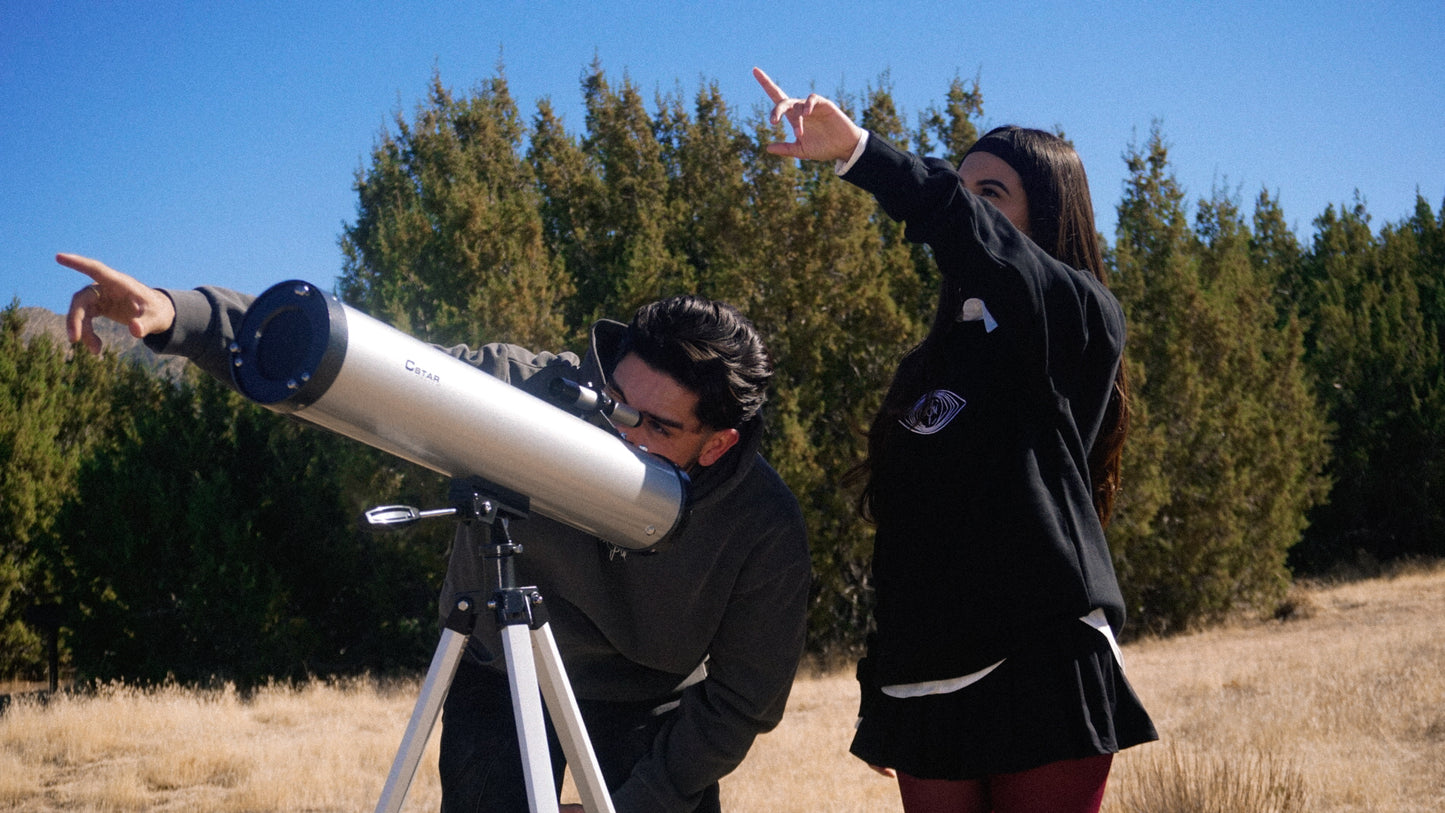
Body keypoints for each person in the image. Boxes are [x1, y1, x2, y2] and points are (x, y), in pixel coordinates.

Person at [58, 252, 812, 813]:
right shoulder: (533, 393)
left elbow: (744, 700)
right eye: (617, 400)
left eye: (656, 425)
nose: (621, 430)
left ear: (717, 444)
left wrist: (637, 801)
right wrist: (178, 315)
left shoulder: (763, 524)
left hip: (648, 706)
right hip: (498, 668)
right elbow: (366, 368)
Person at [753, 68, 1156, 813]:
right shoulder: (929, 365)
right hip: (926, 681)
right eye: (961, 189)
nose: (968, 209)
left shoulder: (1078, 318)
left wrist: (862, 156)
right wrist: (881, 681)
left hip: (1041, 664)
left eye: (989, 195)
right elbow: (904, 533)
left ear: (1045, 215)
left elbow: (979, 245)